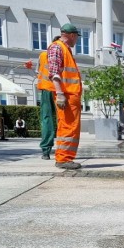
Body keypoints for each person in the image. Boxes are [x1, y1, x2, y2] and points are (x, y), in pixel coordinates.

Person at [47, 23, 82, 169]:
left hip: (71, 96)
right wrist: (60, 94)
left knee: (71, 127)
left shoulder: (65, 50)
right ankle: (62, 158)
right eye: (77, 38)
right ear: (72, 35)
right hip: (66, 96)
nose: (77, 41)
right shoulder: (57, 47)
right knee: (67, 127)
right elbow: (54, 73)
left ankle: (66, 157)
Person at [37, 35, 60, 159]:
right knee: (62, 120)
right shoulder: (63, 52)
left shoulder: (42, 55)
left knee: (47, 119)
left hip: (46, 89)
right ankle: (63, 151)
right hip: (59, 90)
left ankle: (46, 150)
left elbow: (39, 71)